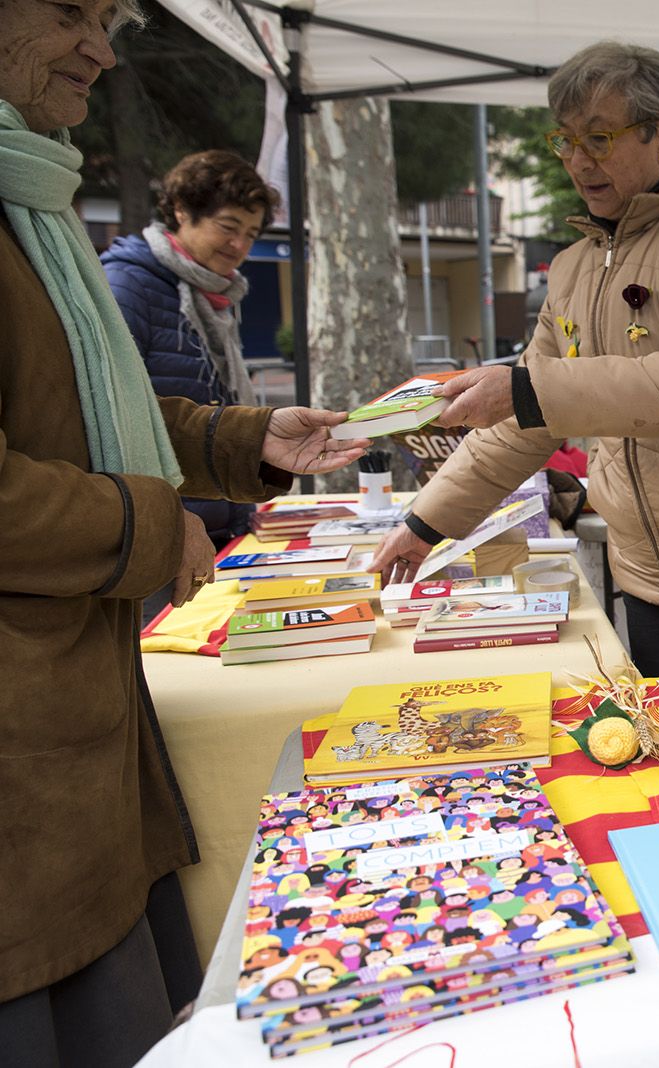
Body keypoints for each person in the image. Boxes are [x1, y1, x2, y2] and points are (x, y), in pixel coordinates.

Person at [0, 3, 368, 1063]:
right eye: (72, 9)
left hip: (71, 757)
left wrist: (245, 439)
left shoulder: (31, 200)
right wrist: (158, 519)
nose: (103, 48)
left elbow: (84, 407)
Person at [371, 41, 659, 676]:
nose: (577, 161)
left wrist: (525, 389)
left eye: (599, 139)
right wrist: (424, 523)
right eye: (565, 141)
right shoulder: (571, 267)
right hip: (649, 576)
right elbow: (523, 420)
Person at [101, 149, 277, 618]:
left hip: (213, 528)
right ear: (182, 211)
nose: (239, 244)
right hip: (159, 539)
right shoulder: (128, 286)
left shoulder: (212, 296)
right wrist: (167, 522)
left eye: (251, 233)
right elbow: (109, 414)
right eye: (227, 225)